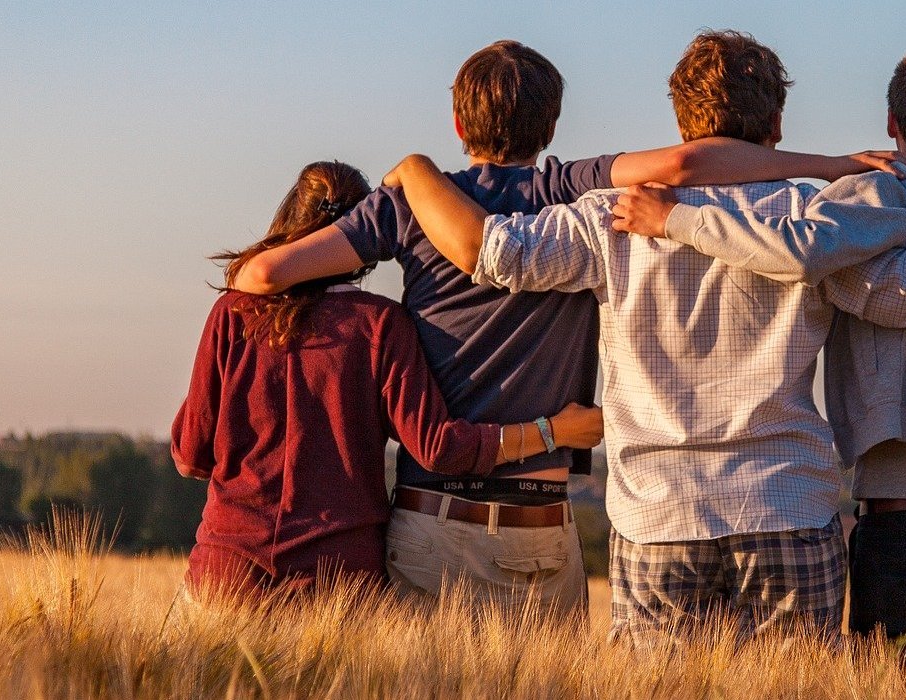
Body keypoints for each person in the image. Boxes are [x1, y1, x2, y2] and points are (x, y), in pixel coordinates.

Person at [383, 31, 906, 645]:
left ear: (680, 124)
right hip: (787, 506)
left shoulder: (610, 216)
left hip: (657, 517)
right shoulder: (816, 218)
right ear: (776, 125)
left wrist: (415, 171)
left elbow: (493, 253)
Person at [225, 40, 900, 616]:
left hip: (432, 516)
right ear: (550, 126)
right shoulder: (568, 189)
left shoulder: (410, 206)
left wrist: (403, 185)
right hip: (541, 524)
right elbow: (688, 165)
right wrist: (829, 166)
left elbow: (260, 279)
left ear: (458, 123)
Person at [611, 45, 906, 662]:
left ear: (891, 123)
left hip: (899, 531)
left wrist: (677, 219)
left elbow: (795, 252)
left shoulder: (848, 219)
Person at [171, 161, 604, 604]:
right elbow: (438, 448)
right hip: (338, 582)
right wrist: (554, 432)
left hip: (227, 571)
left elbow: (191, 456)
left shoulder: (233, 314)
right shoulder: (380, 325)